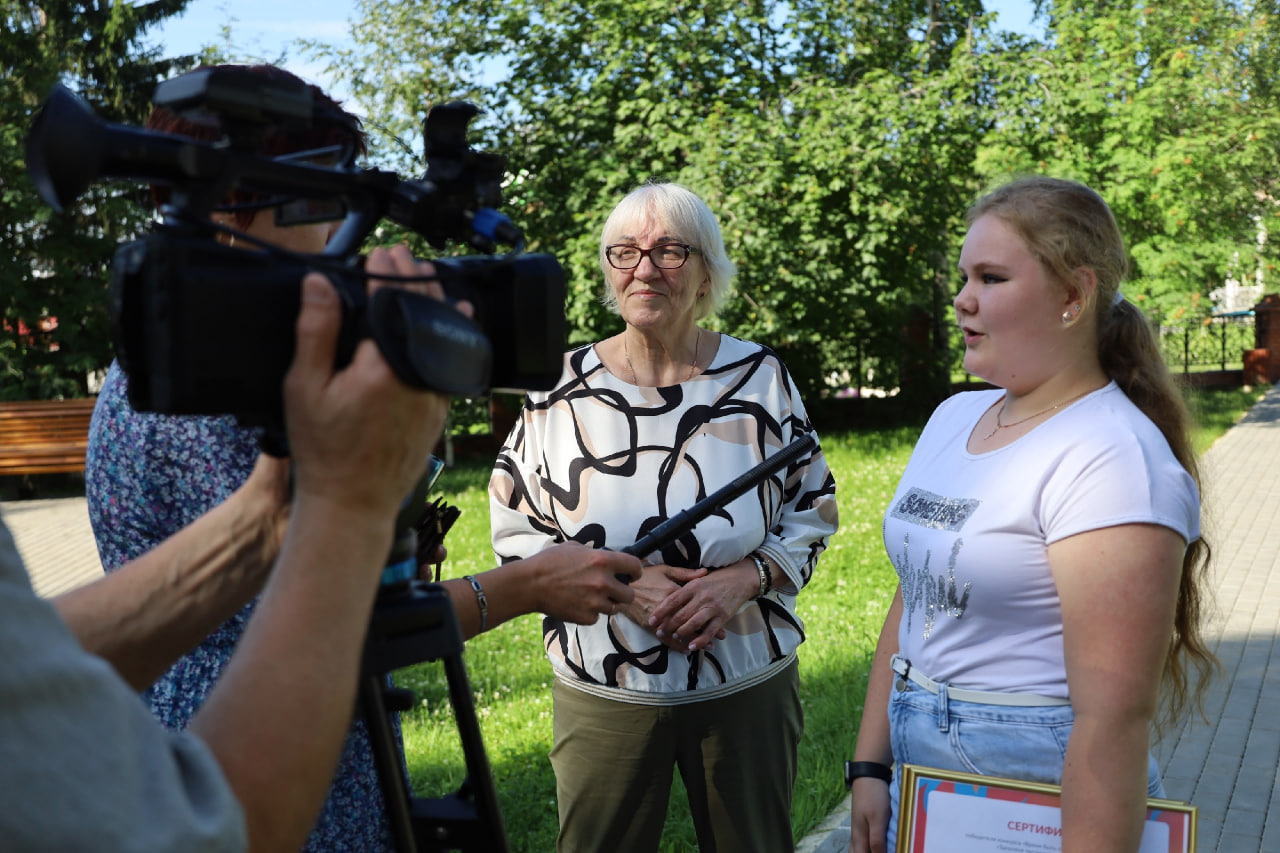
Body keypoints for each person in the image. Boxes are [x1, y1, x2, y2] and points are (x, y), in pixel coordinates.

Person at [84, 64, 641, 850]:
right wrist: (531, 582)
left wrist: (386, 520)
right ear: (243, 193)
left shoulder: (178, 355)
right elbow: (321, 616)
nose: (346, 233)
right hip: (252, 748)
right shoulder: (222, 390)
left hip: (226, 726)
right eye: (328, 197)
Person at [846, 176, 1216, 853]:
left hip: (1034, 791)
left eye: (990, 277)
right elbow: (917, 592)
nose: (962, 299)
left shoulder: (1111, 457)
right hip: (919, 777)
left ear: (1074, 296)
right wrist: (871, 764)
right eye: (963, 276)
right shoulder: (953, 417)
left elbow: (1111, 724)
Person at [488, 180, 839, 852]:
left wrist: (746, 577)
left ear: (707, 272)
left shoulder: (759, 377)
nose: (644, 268)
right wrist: (621, 588)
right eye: (624, 252)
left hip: (745, 674)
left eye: (669, 251)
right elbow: (516, 526)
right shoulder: (557, 389)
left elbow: (813, 503)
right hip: (605, 685)